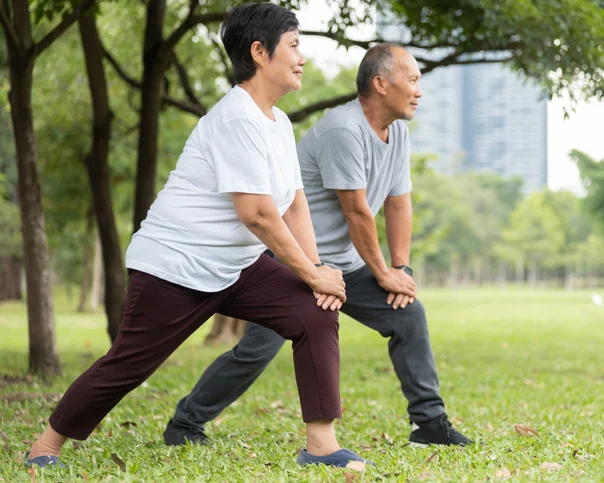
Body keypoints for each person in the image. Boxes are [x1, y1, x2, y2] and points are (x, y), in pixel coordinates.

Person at [25, 2, 369, 471]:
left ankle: (322, 447)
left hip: (237, 266)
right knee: (129, 363)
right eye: (294, 46)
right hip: (175, 264)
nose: (302, 57)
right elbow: (259, 216)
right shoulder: (236, 118)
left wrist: (318, 276)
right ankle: (44, 447)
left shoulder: (279, 123)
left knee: (314, 310)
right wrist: (312, 271)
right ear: (260, 52)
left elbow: (293, 205)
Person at [164, 44, 473, 448]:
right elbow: (357, 213)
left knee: (408, 316)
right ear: (381, 84)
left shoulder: (396, 132)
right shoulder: (344, 130)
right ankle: (185, 424)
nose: (418, 90)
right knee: (258, 349)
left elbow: (398, 202)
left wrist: (402, 270)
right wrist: (383, 273)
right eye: (412, 80)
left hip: (347, 264)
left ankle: (430, 424)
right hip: (296, 262)